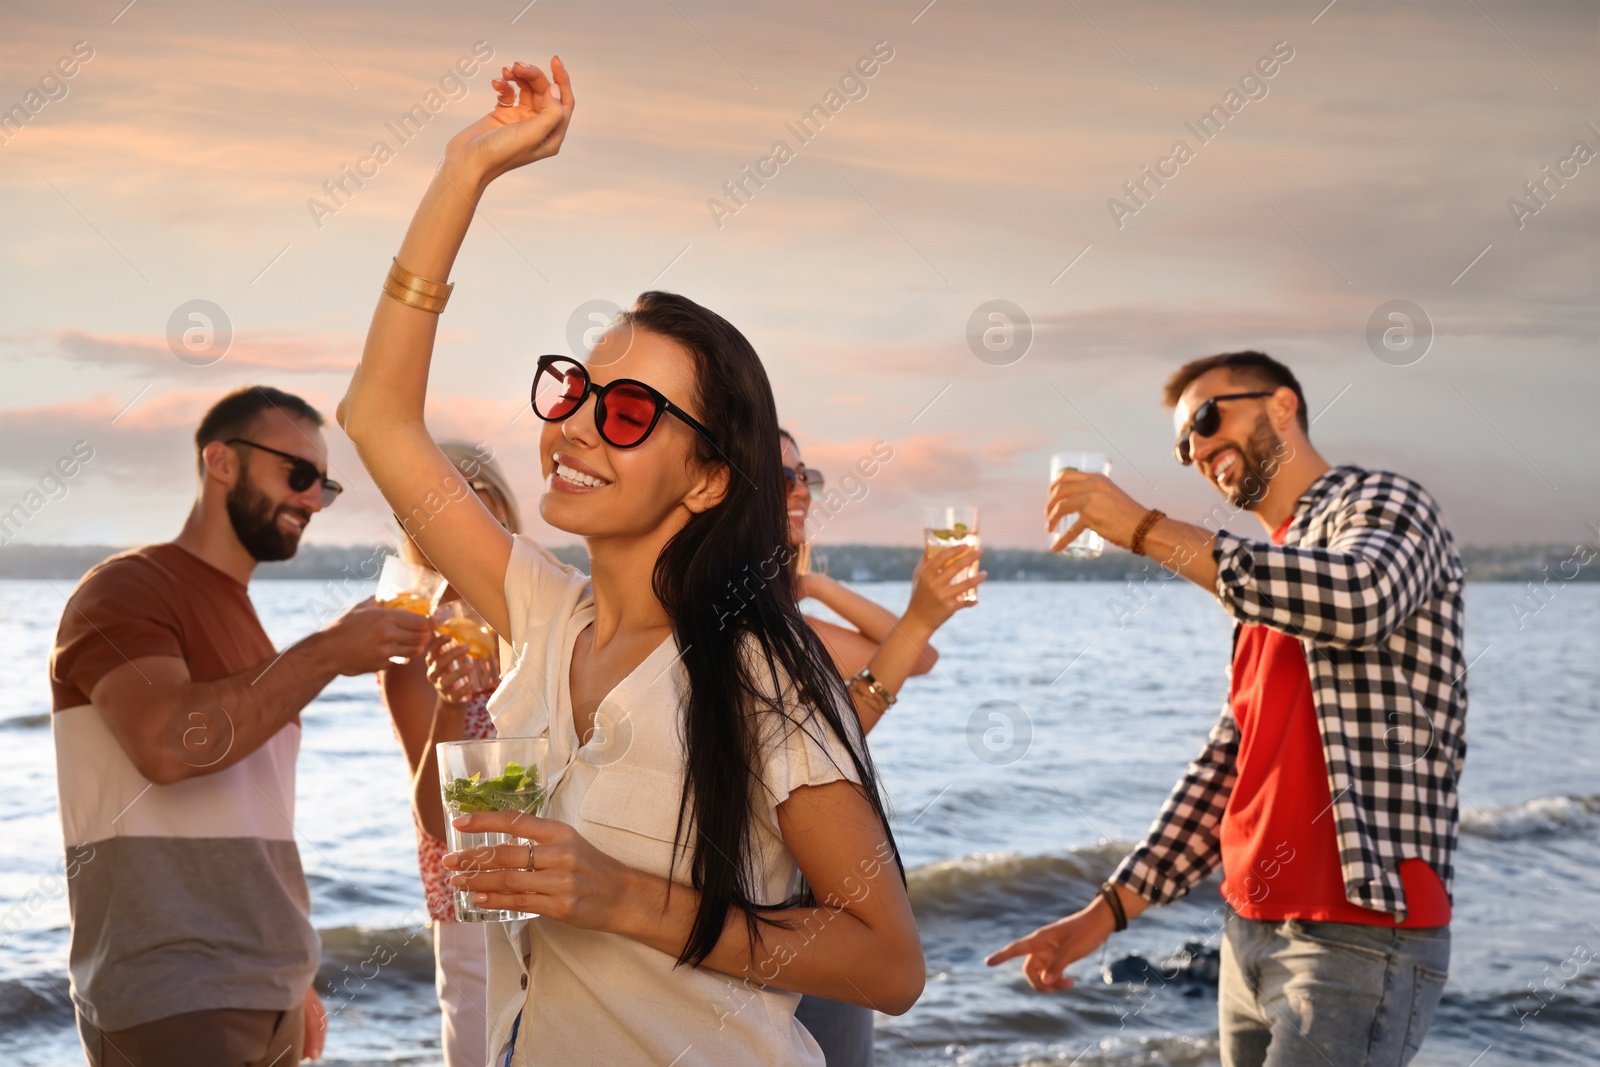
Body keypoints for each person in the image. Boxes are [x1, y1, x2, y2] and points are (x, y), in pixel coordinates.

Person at [337, 57, 927, 1066]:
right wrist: (465, 170)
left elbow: (887, 963)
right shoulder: (539, 611)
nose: (574, 429)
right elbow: (377, 415)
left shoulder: (760, 669)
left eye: (625, 413)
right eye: (573, 392)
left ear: (705, 479)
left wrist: (622, 897)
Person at [987, 351, 1467, 1066]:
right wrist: (1105, 912)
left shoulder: (1386, 505)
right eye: (1184, 444)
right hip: (1247, 934)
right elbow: (1229, 770)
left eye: (1208, 419)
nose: (1199, 449)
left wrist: (1144, 527)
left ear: (1281, 406)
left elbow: (1360, 597)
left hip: (1360, 931)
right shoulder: (1262, 582)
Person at [48, 386, 433, 1066]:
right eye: (299, 474)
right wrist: (327, 651)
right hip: (174, 996)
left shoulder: (250, 628)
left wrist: (290, 970)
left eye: (325, 485)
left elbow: (254, 828)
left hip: (269, 993)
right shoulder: (125, 590)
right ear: (220, 460)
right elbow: (168, 745)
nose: (313, 500)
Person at [781, 428, 980, 1065]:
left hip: (825, 890)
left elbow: (917, 656)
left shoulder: (797, 623)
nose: (799, 489)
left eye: (804, 476)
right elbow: (822, 745)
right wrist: (917, 614)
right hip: (777, 893)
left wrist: (814, 586)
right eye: (780, 475)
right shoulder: (737, 625)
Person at [377, 440, 521, 1067]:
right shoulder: (414, 652)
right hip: (472, 911)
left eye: (479, 522)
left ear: (505, 523)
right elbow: (437, 825)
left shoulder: (550, 628)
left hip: (567, 899)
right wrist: (449, 699)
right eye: (441, 527)